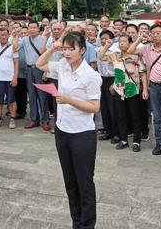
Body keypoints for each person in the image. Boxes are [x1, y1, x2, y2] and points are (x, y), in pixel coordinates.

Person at [36, 32, 102, 229]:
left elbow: (94, 107)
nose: (67, 53)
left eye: (71, 49)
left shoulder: (91, 76)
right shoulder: (63, 66)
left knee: (84, 183)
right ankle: (76, 223)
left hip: (82, 134)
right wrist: (52, 48)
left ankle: (87, 225)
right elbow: (40, 64)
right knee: (70, 182)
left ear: (82, 50)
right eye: (65, 48)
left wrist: (69, 100)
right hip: (63, 130)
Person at [129, 24, 161, 157]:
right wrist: (140, 38)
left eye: (158, 33)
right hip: (154, 87)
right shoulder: (146, 49)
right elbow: (130, 50)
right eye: (153, 33)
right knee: (156, 117)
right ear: (150, 35)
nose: (156, 35)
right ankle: (159, 144)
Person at [98, 35, 148, 151]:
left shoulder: (136, 56)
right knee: (121, 116)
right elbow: (101, 56)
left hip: (133, 90)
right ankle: (123, 139)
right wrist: (107, 45)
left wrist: (145, 89)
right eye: (120, 41)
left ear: (130, 43)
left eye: (124, 41)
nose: (121, 43)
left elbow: (143, 73)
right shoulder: (115, 55)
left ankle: (136, 141)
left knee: (135, 116)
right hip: (119, 90)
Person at [13, 22, 50, 131]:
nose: (32, 29)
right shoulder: (24, 40)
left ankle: (45, 120)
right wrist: (16, 36)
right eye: (30, 27)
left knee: (42, 96)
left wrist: (46, 71)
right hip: (29, 70)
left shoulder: (43, 39)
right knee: (32, 96)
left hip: (40, 68)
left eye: (34, 27)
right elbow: (15, 48)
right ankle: (34, 119)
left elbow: (45, 54)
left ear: (38, 29)